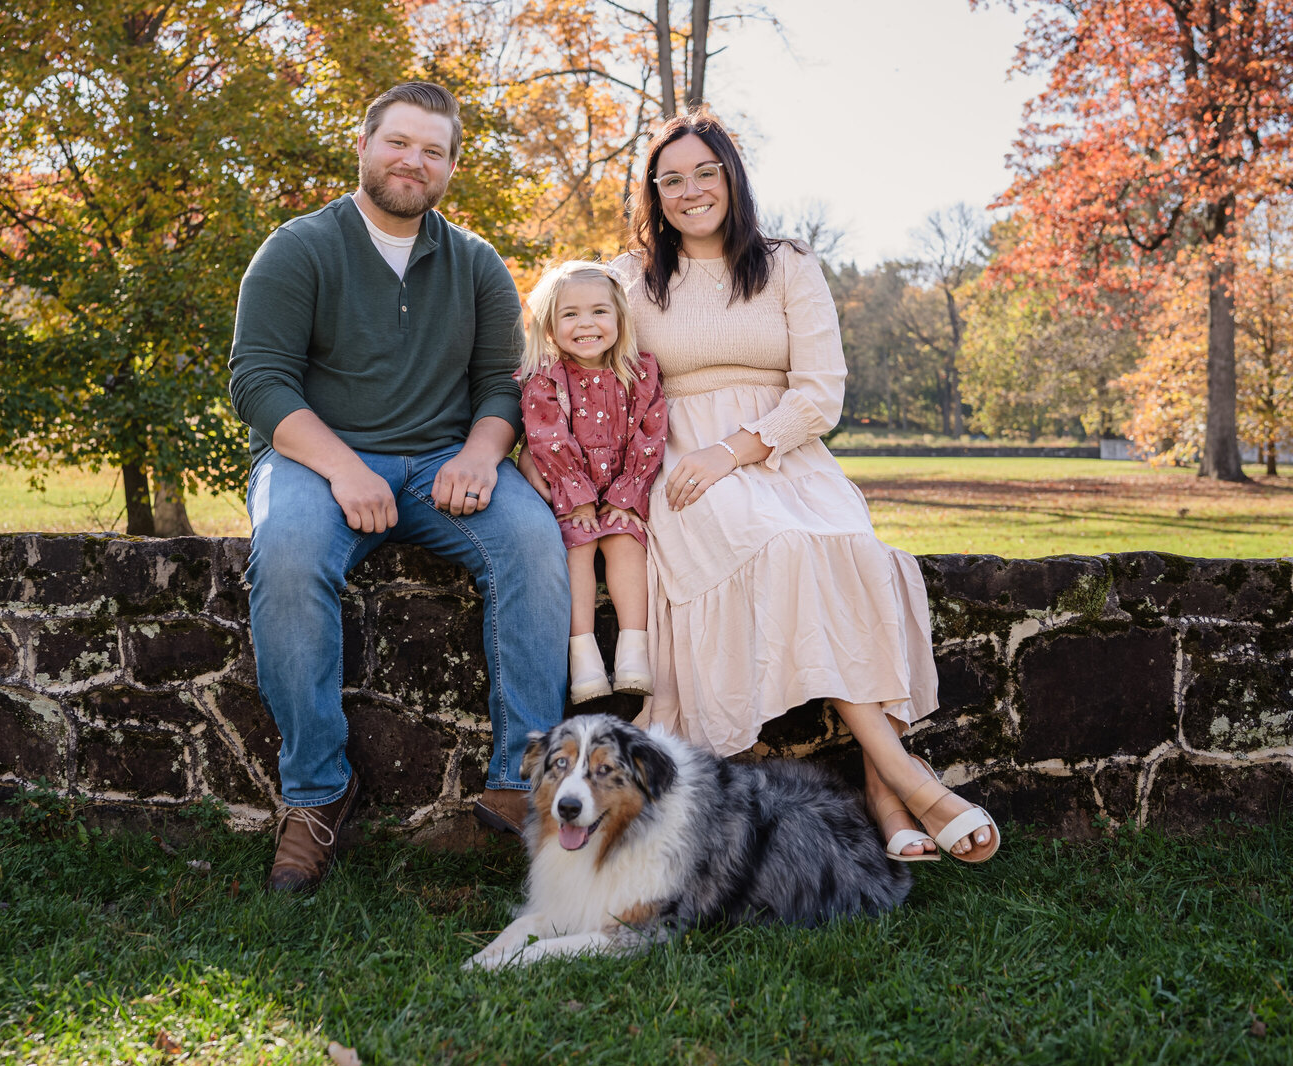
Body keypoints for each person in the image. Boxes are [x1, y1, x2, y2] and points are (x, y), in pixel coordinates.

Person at [522, 110, 999, 863]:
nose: (690, 190)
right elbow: (569, 349)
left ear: (732, 177)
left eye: (705, 172)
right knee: (782, 548)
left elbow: (820, 393)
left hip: (783, 451)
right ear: (654, 192)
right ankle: (911, 780)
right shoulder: (628, 277)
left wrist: (735, 449)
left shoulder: (787, 262)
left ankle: (884, 788)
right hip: (678, 458)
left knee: (858, 558)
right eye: (670, 179)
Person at [229, 82, 570, 892]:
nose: (414, 161)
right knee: (288, 551)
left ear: (451, 166)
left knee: (532, 539)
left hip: (444, 465)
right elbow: (259, 382)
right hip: (317, 460)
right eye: (399, 143)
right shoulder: (299, 248)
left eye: (434, 150)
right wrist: (344, 467)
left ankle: (524, 780)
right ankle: (317, 794)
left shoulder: (478, 263)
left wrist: (484, 454)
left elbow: (501, 384)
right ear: (363, 144)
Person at [518, 262, 667, 704]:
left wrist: (627, 496)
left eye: (599, 311)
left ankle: (633, 651)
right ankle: (582, 655)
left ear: (620, 319)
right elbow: (547, 439)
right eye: (570, 315)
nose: (586, 324)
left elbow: (651, 433)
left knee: (626, 544)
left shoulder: (640, 373)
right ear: (548, 324)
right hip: (570, 496)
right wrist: (578, 499)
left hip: (624, 490)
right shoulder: (546, 378)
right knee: (576, 549)